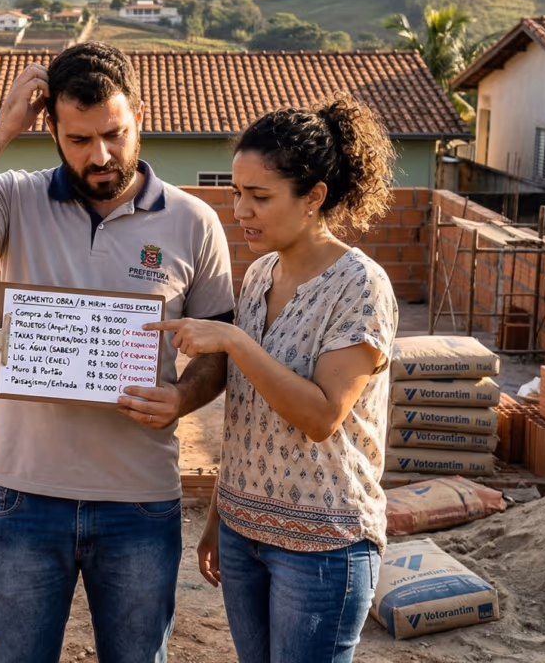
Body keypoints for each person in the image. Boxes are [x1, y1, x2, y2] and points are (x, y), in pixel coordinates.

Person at [0, 42, 236, 663]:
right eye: (78, 139)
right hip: (24, 496)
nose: (100, 156)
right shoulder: (14, 199)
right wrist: (3, 128)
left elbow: (219, 347)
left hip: (139, 499)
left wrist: (183, 397)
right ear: (50, 128)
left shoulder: (194, 222)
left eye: (114, 133)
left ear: (139, 113)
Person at [149, 93, 399, 663]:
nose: (241, 210)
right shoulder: (260, 273)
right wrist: (220, 513)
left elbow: (320, 416)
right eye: (237, 193)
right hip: (243, 533)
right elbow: (247, 416)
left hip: (322, 546)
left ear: (313, 198)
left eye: (259, 197)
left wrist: (234, 340)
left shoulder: (360, 286)